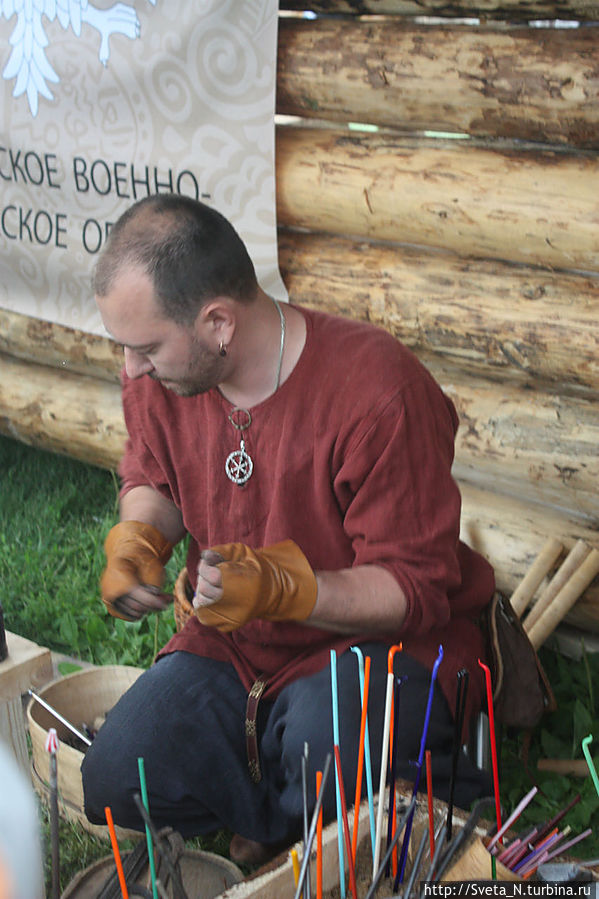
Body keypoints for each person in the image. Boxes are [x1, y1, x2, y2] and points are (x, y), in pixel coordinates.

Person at [81, 193, 494, 866]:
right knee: (114, 778)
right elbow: (154, 478)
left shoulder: (379, 392)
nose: (132, 370)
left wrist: (284, 589)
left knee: (328, 753)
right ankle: (300, 818)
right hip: (231, 650)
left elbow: (411, 589)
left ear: (218, 322)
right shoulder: (164, 376)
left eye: (147, 348)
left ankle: (318, 810)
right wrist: (139, 541)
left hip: (368, 649)